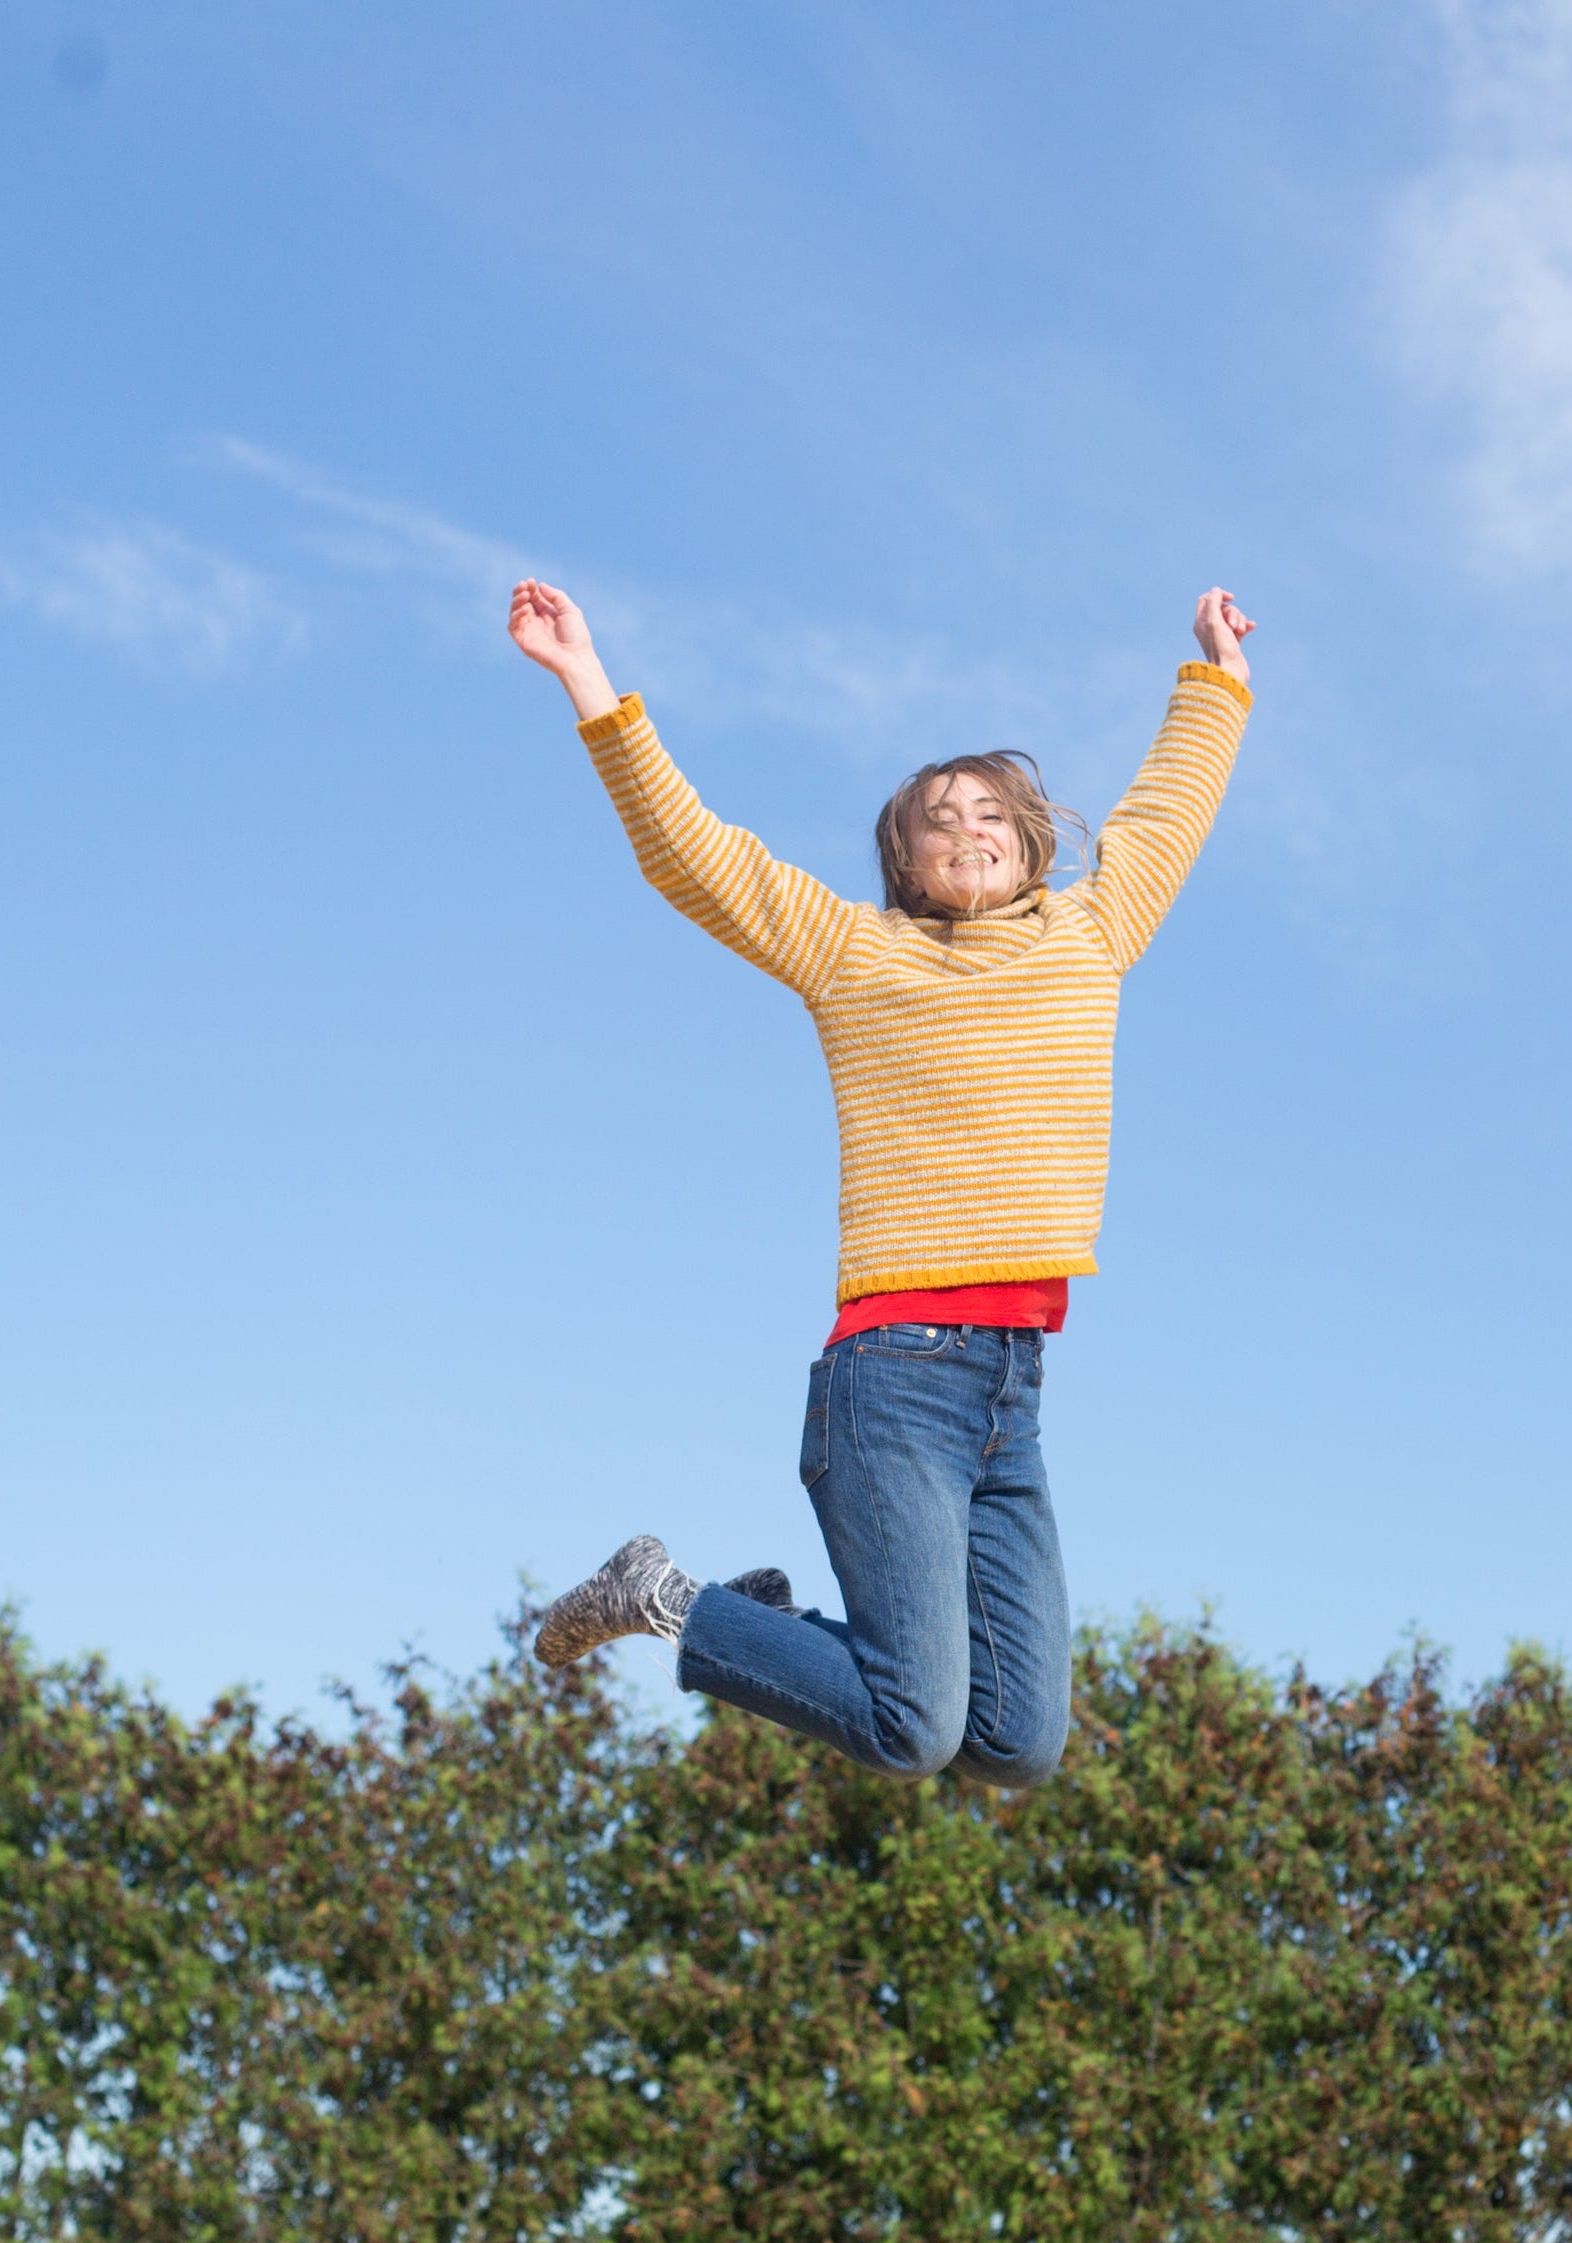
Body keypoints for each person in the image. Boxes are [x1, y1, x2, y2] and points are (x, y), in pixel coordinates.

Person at [507, 577, 1255, 1788]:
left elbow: (1168, 811)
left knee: (1012, 1743)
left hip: (1014, 1391)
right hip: (896, 1377)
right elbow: (701, 861)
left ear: (1030, 840)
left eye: (988, 815)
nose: (966, 830)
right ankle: (664, 1595)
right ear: (901, 861)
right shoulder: (857, 954)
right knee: (913, 1729)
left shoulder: (1091, 935)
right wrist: (588, 679)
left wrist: (1215, 676)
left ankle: (755, 1630)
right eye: (935, 820)